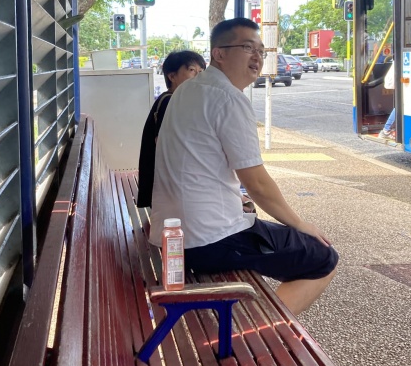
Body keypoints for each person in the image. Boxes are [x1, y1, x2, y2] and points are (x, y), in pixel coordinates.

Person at [149, 18, 338, 316]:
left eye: (261, 50)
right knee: (323, 257)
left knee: (262, 226)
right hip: (209, 239)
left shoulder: (187, 90)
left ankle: (261, 324)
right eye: (247, 47)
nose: (257, 57)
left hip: (173, 233)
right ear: (219, 53)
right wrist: (301, 224)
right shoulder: (228, 98)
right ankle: (262, 331)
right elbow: (257, 183)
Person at [137, 50, 206, 208]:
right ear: (172, 76)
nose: (198, 76)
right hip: (167, 188)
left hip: (169, 185)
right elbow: (168, 146)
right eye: (192, 70)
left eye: (201, 71)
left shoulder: (173, 99)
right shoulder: (170, 102)